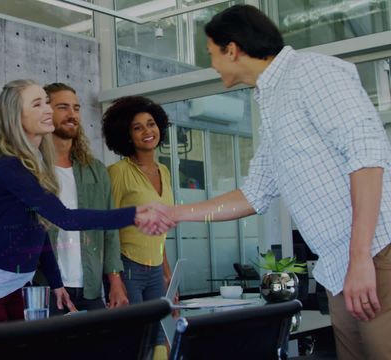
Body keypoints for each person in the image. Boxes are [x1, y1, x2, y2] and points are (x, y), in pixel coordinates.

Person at [149, 5, 391, 360]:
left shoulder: (312, 72)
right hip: (341, 268)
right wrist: (175, 213)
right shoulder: (272, 100)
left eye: (212, 53)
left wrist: (360, 259)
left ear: (232, 49)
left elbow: (368, 157)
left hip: (376, 255)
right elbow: (254, 193)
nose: (212, 64)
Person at [0, 79, 172, 322]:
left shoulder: (35, 164)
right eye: (38, 104)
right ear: (16, 116)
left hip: (16, 286)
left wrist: (56, 283)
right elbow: (65, 218)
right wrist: (133, 214)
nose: (48, 110)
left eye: (47, 103)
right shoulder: (11, 166)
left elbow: (40, 231)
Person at [32, 82, 128, 315]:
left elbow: (110, 229)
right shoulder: (29, 168)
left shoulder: (95, 170)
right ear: (45, 112)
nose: (72, 114)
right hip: (44, 288)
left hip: (90, 289)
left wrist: (115, 280)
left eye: (76, 108)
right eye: (63, 107)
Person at [102, 95, 175, 359]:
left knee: (161, 337)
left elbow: (161, 228)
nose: (147, 131)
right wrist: (115, 280)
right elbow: (106, 227)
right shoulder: (118, 172)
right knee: (136, 340)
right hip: (127, 267)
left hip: (156, 268)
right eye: (137, 127)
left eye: (151, 123)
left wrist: (168, 274)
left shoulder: (164, 171)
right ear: (125, 134)